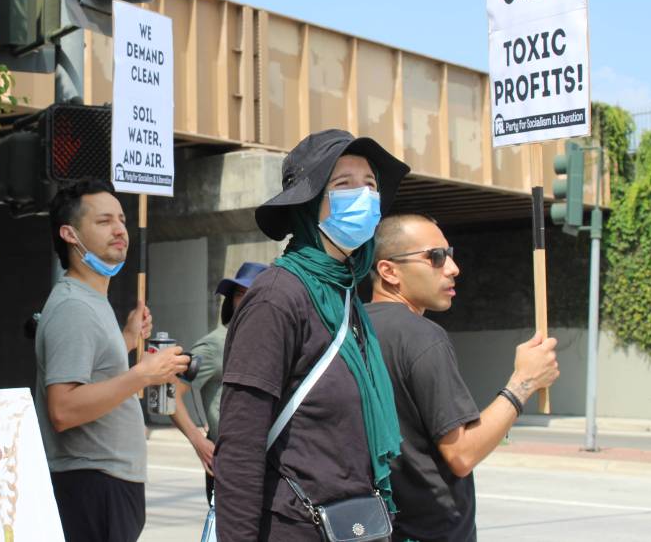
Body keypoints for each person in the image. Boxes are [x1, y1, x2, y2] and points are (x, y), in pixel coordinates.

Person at [214, 128, 410, 540]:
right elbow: (240, 446)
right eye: (343, 185)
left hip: (352, 525)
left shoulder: (343, 292)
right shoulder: (277, 297)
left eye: (370, 185)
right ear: (308, 205)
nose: (364, 196)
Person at [367, 214, 560, 542]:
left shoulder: (349, 329)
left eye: (450, 253)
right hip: (430, 531)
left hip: (376, 527)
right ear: (388, 271)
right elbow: (462, 454)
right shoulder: (423, 338)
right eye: (436, 257)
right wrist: (523, 382)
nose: (453, 267)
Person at [35, 179, 189, 542]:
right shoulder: (73, 307)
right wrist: (143, 374)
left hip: (108, 482)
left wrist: (127, 338)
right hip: (92, 483)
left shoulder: (90, 300)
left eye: (121, 218)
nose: (120, 229)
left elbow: (92, 376)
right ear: (70, 234)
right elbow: (63, 408)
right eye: (104, 221)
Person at [170, 261, 267, 504]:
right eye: (239, 295)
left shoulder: (274, 342)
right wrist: (198, 440)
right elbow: (169, 392)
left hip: (270, 462)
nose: (245, 301)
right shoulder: (216, 345)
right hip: (230, 463)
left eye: (253, 295)